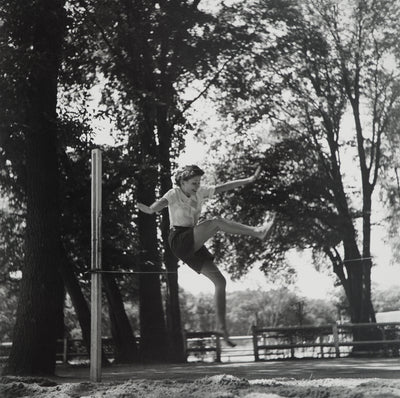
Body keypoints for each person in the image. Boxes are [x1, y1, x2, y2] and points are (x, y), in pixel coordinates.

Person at [137, 164, 275, 347]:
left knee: (220, 282)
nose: (197, 186)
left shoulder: (200, 192)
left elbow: (224, 186)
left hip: (193, 239)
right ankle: (258, 232)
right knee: (216, 222)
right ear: (182, 182)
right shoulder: (174, 193)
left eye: (199, 182)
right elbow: (158, 205)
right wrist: (149, 209)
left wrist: (249, 180)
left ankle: (222, 328)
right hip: (179, 239)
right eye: (193, 183)